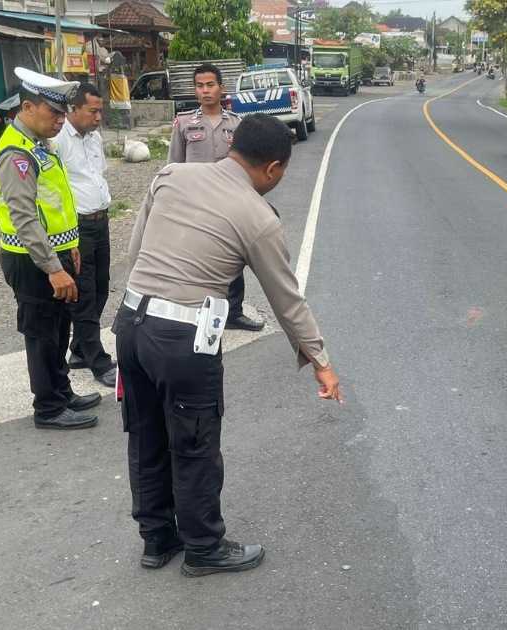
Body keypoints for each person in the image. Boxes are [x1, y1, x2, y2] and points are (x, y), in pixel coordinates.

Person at [118, 114, 343, 576]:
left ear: (233, 145)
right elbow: (287, 299)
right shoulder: (258, 217)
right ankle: (202, 547)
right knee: (195, 444)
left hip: (131, 324)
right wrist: (320, 360)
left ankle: (157, 540)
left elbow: (136, 250)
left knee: (146, 435)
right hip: (183, 339)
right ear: (274, 168)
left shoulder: (170, 174)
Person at [0, 67, 101, 430]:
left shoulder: (38, 146)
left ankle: (62, 391)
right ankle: (49, 407)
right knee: (42, 336)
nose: (60, 120)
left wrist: (68, 246)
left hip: (54, 254)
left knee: (59, 330)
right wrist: (52, 268)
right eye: (53, 113)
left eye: (61, 113)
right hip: (32, 262)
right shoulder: (16, 154)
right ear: (27, 107)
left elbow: (53, 205)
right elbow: (24, 218)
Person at [167, 63, 263, 333]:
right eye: (200, 85)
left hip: (229, 203)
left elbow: (246, 166)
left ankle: (234, 312)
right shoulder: (184, 123)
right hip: (195, 204)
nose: (205, 90)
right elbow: (173, 165)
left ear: (221, 88)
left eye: (210, 85)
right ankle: (193, 310)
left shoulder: (236, 123)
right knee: (194, 257)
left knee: (233, 256)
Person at [51, 83, 117, 388]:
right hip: (76, 228)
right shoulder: (58, 140)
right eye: (93, 111)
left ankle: (78, 349)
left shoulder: (94, 137)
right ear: (73, 109)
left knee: (101, 287)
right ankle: (97, 359)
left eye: (100, 110)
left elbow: (96, 174)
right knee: (85, 294)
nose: (98, 117)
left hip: (100, 221)